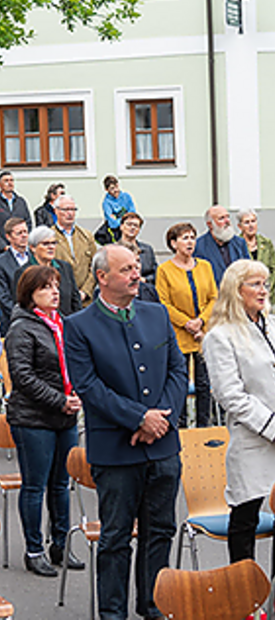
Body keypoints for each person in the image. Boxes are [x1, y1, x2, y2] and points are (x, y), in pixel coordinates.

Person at [69, 245, 186, 620]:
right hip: (117, 450)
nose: (137, 275)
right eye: (126, 270)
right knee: (116, 538)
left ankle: (153, 606)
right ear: (102, 277)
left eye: (137, 268)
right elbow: (89, 387)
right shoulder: (79, 325)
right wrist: (140, 418)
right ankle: (113, 613)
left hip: (163, 447)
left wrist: (161, 420)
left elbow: (177, 371)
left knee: (160, 532)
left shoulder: (156, 313)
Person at [202, 259, 275, 620]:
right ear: (237, 291)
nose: (263, 290)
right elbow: (230, 394)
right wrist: (273, 426)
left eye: (265, 283)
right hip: (255, 438)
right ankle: (244, 594)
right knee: (246, 516)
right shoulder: (219, 336)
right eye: (255, 284)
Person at [7, 265, 85, 578]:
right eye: (46, 288)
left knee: (61, 484)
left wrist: (78, 393)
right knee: (35, 486)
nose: (55, 292)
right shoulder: (21, 328)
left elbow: (76, 363)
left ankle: (60, 545)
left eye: (56, 286)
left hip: (65, 416)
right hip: (33, 418)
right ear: (30, 295)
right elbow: (22, 376)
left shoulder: (62, 323)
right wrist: (60, 400)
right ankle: (34, 549)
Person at [158, 222, 219, 428]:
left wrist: (201, 321)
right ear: (173, 243)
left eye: (193, 237)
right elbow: (164, 303)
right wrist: (187, 323)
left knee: (204, 383)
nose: (190, 241)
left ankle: (204, 426)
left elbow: (213, 297)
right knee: (180, 383)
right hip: (179, 334)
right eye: (185, 238)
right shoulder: (165, 270)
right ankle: (181, 427)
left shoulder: (205, 266)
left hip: (202, 332)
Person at [28, 227, 84, 316]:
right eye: (45, 244)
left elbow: (75, 300)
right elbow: (23, 305)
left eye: (54, 243)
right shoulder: (26, 272)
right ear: (33, 248)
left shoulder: (65, 268)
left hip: (66, 324)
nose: (51, 247)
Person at [49, 195, 96, 301]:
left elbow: (95, 266)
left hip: (86, 300)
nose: (70, 213)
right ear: (56, 211)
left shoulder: (86, 236)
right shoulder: (49, 237)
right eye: (65, 209)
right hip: (61, 300)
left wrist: (85, 291)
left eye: (73, 209)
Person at [192, 205, 250, 283]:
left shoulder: (239, 243)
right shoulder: (198, 246)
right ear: (210, 224)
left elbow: (248, 270)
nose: (227, 221)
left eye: (228, 217)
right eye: (221, 218)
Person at [116, 213, 160, 303]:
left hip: (144, 294)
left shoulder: (147, 250)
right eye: (129, 224)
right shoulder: (112, 250)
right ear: (121, 226)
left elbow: (157, 273)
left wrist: (145, 279)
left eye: (136, 225)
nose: (132, 227)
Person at [0, 218, 31, 315]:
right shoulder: (2, 262)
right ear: (8, 237)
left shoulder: (36, 256)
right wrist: (21, 315)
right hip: (13, 318)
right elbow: (3, 297)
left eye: (25, 232)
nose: (24, 236)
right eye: (19, 233)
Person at [240, 210, 275, 277]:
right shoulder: (235, 244)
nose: (251, 225)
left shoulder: (267, 242)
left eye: (253, 221)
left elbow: (274, 270)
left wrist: (267, 286)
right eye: (246, 222)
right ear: (240, 226)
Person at [97, 176, 135, 244]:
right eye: (112, 189)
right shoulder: (106, 203)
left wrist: (127, 222)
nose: (115, 190)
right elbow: (112, 222)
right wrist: (125, 221)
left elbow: (132, 212)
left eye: (116, 187)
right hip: (116, 232)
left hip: (128, 228)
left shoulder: (126, 197)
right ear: (107, 190)